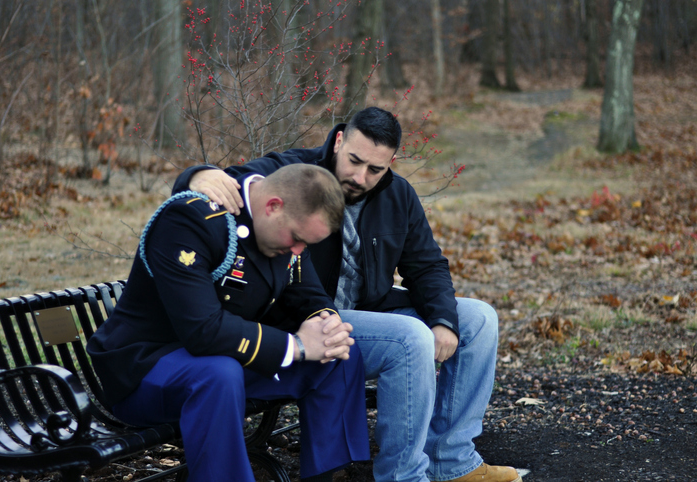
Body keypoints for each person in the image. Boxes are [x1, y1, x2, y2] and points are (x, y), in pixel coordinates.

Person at [173, 107, 522, 482]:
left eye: (376, 169)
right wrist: (198, 174)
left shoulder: (398, 195)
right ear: (339, 140)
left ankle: (450, 461)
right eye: (354, 161)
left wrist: (443, 321)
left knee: (479, 319)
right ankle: (403, 476)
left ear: (391, 163)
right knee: (410, 338)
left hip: (370, 310)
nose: (360, 177)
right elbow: (234, 187)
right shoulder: (299, 174)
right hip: (305, 319)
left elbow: (426, 265)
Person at [87, 164, 370, 482]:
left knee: (339, 355)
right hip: (146, 368)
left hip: (226, 358)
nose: (298, 250)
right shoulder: (190, 220)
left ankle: (326, 475)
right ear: (273, 205)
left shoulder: (283, 230)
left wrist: (326, 324)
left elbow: (307, 294)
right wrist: (300, 346)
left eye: (305, 245)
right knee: (219, 373)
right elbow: (202, 331)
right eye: (297, 240)